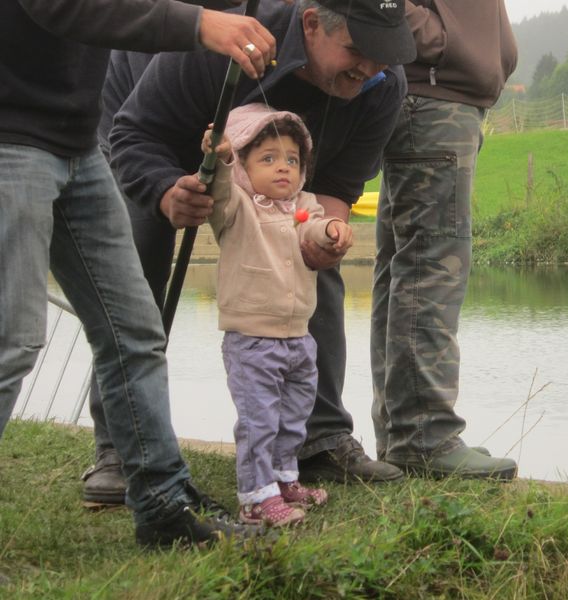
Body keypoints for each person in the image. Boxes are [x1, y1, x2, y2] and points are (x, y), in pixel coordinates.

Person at [85, 0, 416, 504]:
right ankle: (120, 448)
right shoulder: (224, 44)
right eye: (357, 50)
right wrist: (166, 192)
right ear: (311, 24)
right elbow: (135, 133)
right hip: (158, 128)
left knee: (311, 258)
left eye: (384, 54)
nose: (370, 68)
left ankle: (319, 439)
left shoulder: (383, 85)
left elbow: (335, 187)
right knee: (141, 258)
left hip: (282, 163)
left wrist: (324, 238)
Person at [0, 0, 277, 547]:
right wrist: (201, 24)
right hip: (10, 142)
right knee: (12, 340)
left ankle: (163, 507)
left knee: (135, 331)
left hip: (77, 144)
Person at [370, 0, 519, 479]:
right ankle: (424, 437)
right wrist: (440, 42)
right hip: (432, 98)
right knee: (432, 269)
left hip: (436, 96)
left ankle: (403, 434)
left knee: (406, 269)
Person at [202, 104, 352, 526]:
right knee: (260, 420)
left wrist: (331, 230)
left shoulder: (302, 205)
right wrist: (221, 159)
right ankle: (255, 498)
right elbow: (218, 191)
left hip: (299, 337)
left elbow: (312, 227)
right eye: (267, 158)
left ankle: (284, 479)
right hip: (252, 340)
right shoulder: (237, 207)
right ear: (245, 167)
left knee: (293, 416)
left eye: (292, 159)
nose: (283, 167)